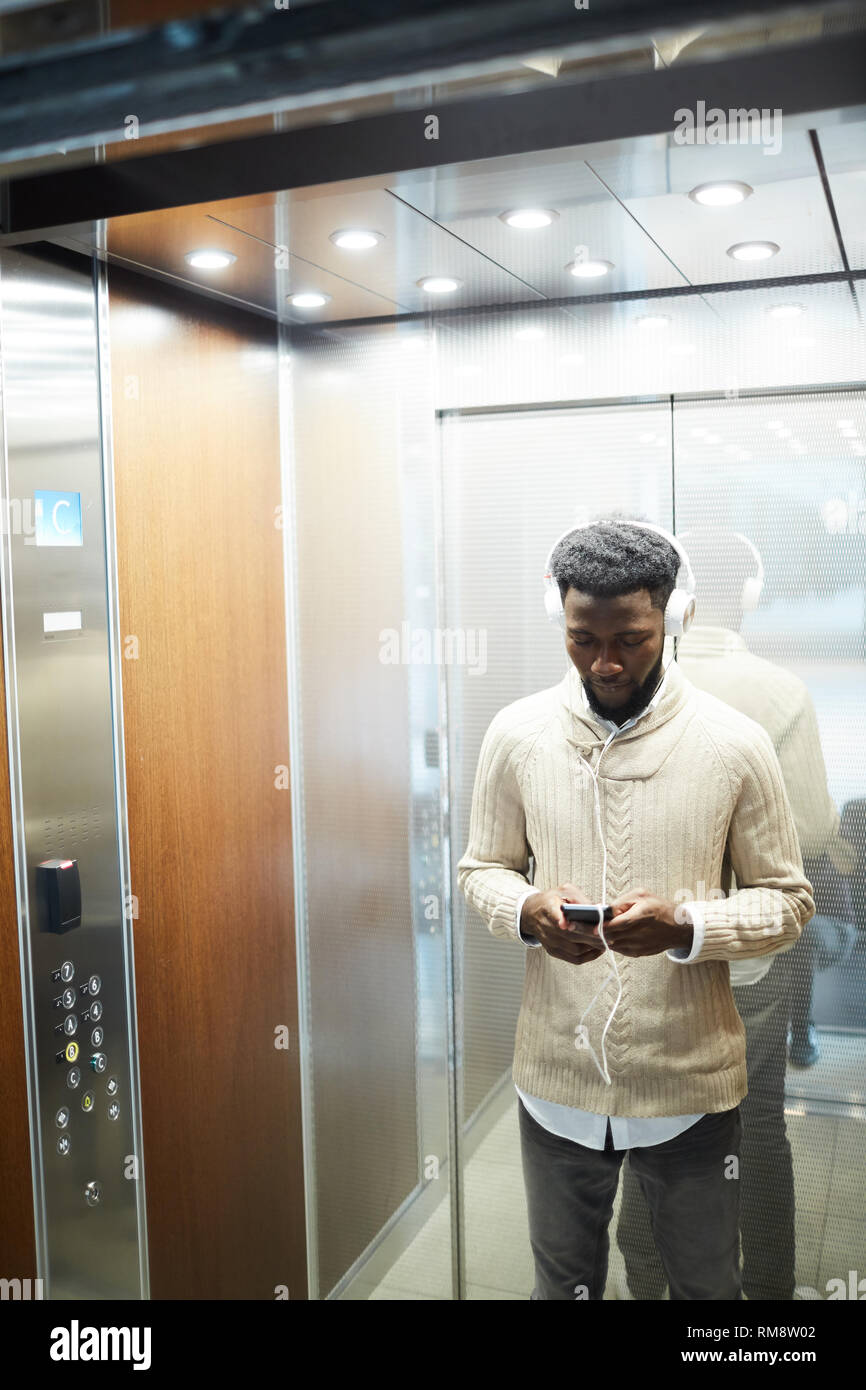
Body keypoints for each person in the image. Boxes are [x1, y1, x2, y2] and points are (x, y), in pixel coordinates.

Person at [456, 514, 815, 1301]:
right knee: (563, 1286)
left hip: (689, 1088)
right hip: (555, 1080)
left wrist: (689, 926)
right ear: (560, 615)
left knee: (706, 1292)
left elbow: (789, 901)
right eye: (584, 639)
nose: (607, 661)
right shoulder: (516, 736)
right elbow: (481, 869)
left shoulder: (734, 742)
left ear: (675, 617)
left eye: (634, 638)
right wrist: (528, 909)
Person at [614, 526, 856, 1301]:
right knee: (756, 1135)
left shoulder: (629, 683)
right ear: (750, 597)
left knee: (650, 1123)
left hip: (644, 954)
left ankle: (649, 1282)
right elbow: (815, 830)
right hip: (747, 955)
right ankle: (770, 1298)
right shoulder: (779, 693)